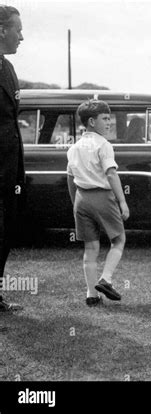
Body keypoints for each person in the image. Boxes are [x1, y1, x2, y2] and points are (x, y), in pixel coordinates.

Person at [67, 100, 129, 306]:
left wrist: (74, 202)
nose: (109, 122)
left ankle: (91, 295)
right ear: (92, 121)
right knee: (118, 240)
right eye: (105, 118)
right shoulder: (104, 145)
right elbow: (111, 174)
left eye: (109, 118)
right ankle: (106, 279)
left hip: (81, 199)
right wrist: (122, 201)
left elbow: (70, 177)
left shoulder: (74, 147)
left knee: (90, 248)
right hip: (102, 197)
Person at [0, 5, 24, 312]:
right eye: (17, 29)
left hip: (8, 170)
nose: (22, 36)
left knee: (4, 234)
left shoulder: (7, 68)